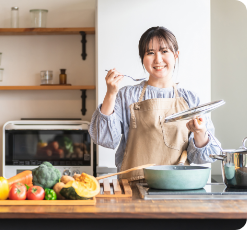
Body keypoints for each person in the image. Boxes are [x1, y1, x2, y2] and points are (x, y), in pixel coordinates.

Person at [89, 26, 221, 182]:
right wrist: (111, 93)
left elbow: (202, 157)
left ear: (176, 55)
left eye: (164, 51)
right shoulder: (127, 95)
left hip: (178, 187)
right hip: (134, 189)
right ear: (143, 59)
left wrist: (199, 132)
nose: (158, 59)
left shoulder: (191, 100)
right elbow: (104, 138)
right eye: (150, 53)